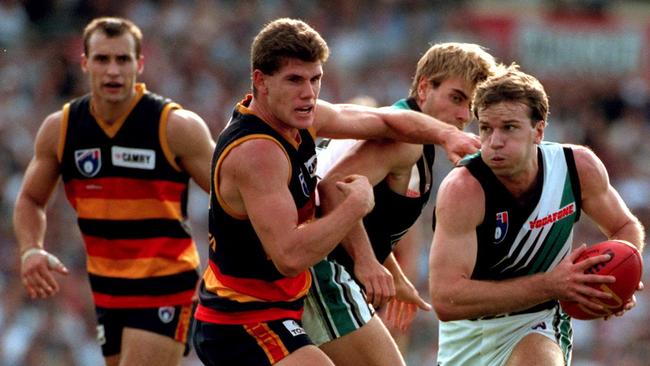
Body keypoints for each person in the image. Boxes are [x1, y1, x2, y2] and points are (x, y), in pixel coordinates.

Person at [191, 18, 482, 366]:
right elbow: (290, 257)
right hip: (240, 318)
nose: (308, 93)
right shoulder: (259, 154)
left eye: (315, 79)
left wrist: (446, 135)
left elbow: (385, 120)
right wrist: (355, 208)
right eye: (294, 80)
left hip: (276, 307)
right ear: (260, 81)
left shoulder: (303, 117)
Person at [13, 17, 216, 366]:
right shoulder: (61, 130)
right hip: (107, 290)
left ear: (139, 64)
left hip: (166, 283)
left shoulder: (173, 126)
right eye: (102, 59)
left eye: (122, 60)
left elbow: (230, 193)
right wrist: (31, 248)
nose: (113, 71)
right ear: (84, 62)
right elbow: (31, 199)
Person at [428, 65, 646, 365]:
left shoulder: (577, 167)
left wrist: (619, 281)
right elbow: (445, 298)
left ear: (539, 131)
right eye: (486, 128)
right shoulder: (463, 189)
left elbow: (624, 226)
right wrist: (551, 285)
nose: (495, 141)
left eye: (509, 127)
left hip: (538, 324)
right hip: (468, 335)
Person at [303, 42, 500, 366]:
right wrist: (367, 262)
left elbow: (369, 213)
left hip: (317, 268)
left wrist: (393, 273)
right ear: (424, 88)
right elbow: (334, 190)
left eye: (472, 105)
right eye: (456, 98)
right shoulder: (403, 142)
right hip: (319, 269)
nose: (464, 115)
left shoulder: (409, 137)